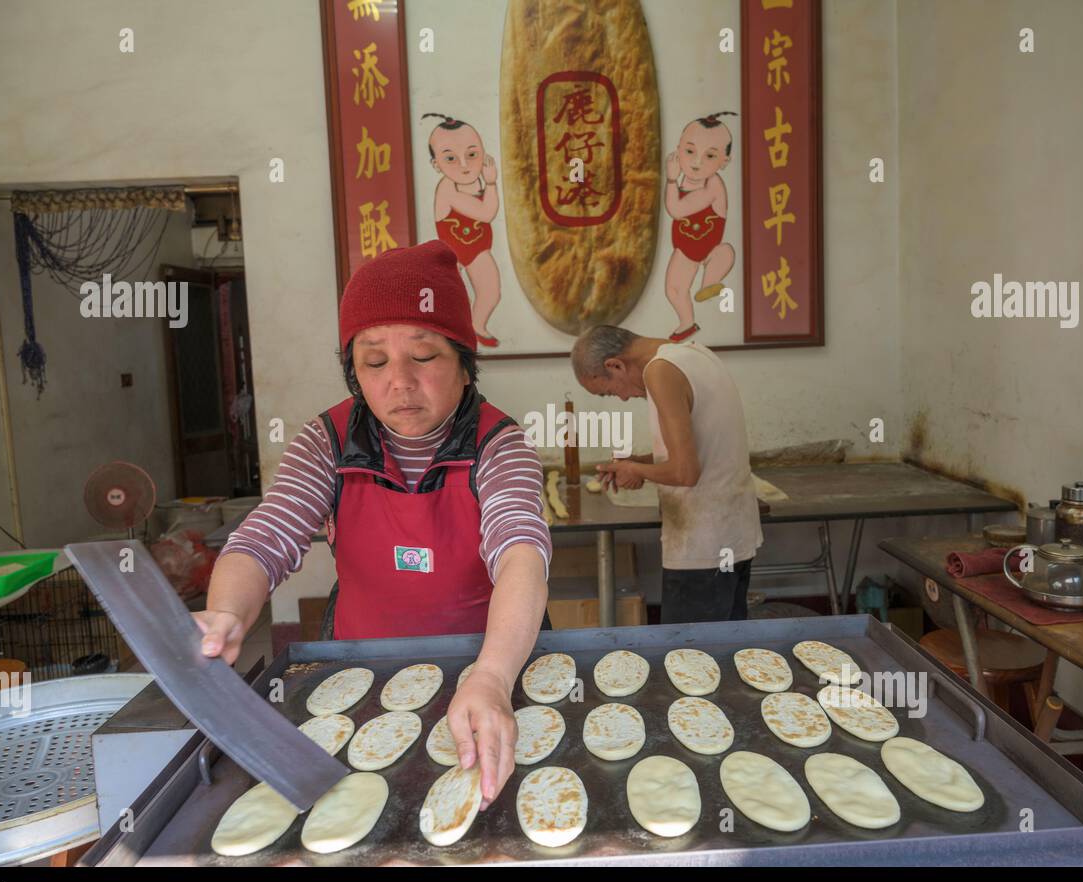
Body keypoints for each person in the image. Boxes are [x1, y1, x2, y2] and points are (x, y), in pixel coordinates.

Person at [195, 240, 551, 807]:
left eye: (425, 356)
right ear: (354, 374)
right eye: (375, 361)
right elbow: (265, 539)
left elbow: (521, 554)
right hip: (364, 678)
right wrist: (226, 613)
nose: (400, 381)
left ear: (464, 362)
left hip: (493, 673)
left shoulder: (499, 445)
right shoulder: (327, 442)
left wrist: (490, 677)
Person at [571, 325, 761, 623]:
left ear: (615, 365)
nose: (621, 398)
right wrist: (639, 461)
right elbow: (697, 450)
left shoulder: (659, 372)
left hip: (702, 547)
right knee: (725, 650)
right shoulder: (697, 354)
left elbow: (686, 472)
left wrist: (635, 470)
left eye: (610, 391)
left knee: (690, 660)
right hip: (733, 537)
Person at [423, 112, 502, 347]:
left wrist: (487, 183)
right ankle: (463, 334)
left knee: (491, 293)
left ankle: (477, 325)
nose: (465, 165)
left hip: (478, 248)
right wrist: (491, 183)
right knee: (457, 299)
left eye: (472, 154)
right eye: (451, 159)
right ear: (436, 164)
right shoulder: (447, 189)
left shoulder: (477, 182)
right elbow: (487, 213)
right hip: (453, 255)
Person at [662, 112, 738, 341]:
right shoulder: (684, 180)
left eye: (710, 156)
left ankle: (710, 282)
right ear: (678, 150)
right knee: (673, 290)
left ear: (724, 161)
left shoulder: (713, 185)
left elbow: (676, 209)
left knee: (723, 254)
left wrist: (671, 181)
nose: (697, 162)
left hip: (707, 246)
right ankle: (686, 322)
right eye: (690, 151)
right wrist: (676, 181)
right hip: (686, 249)